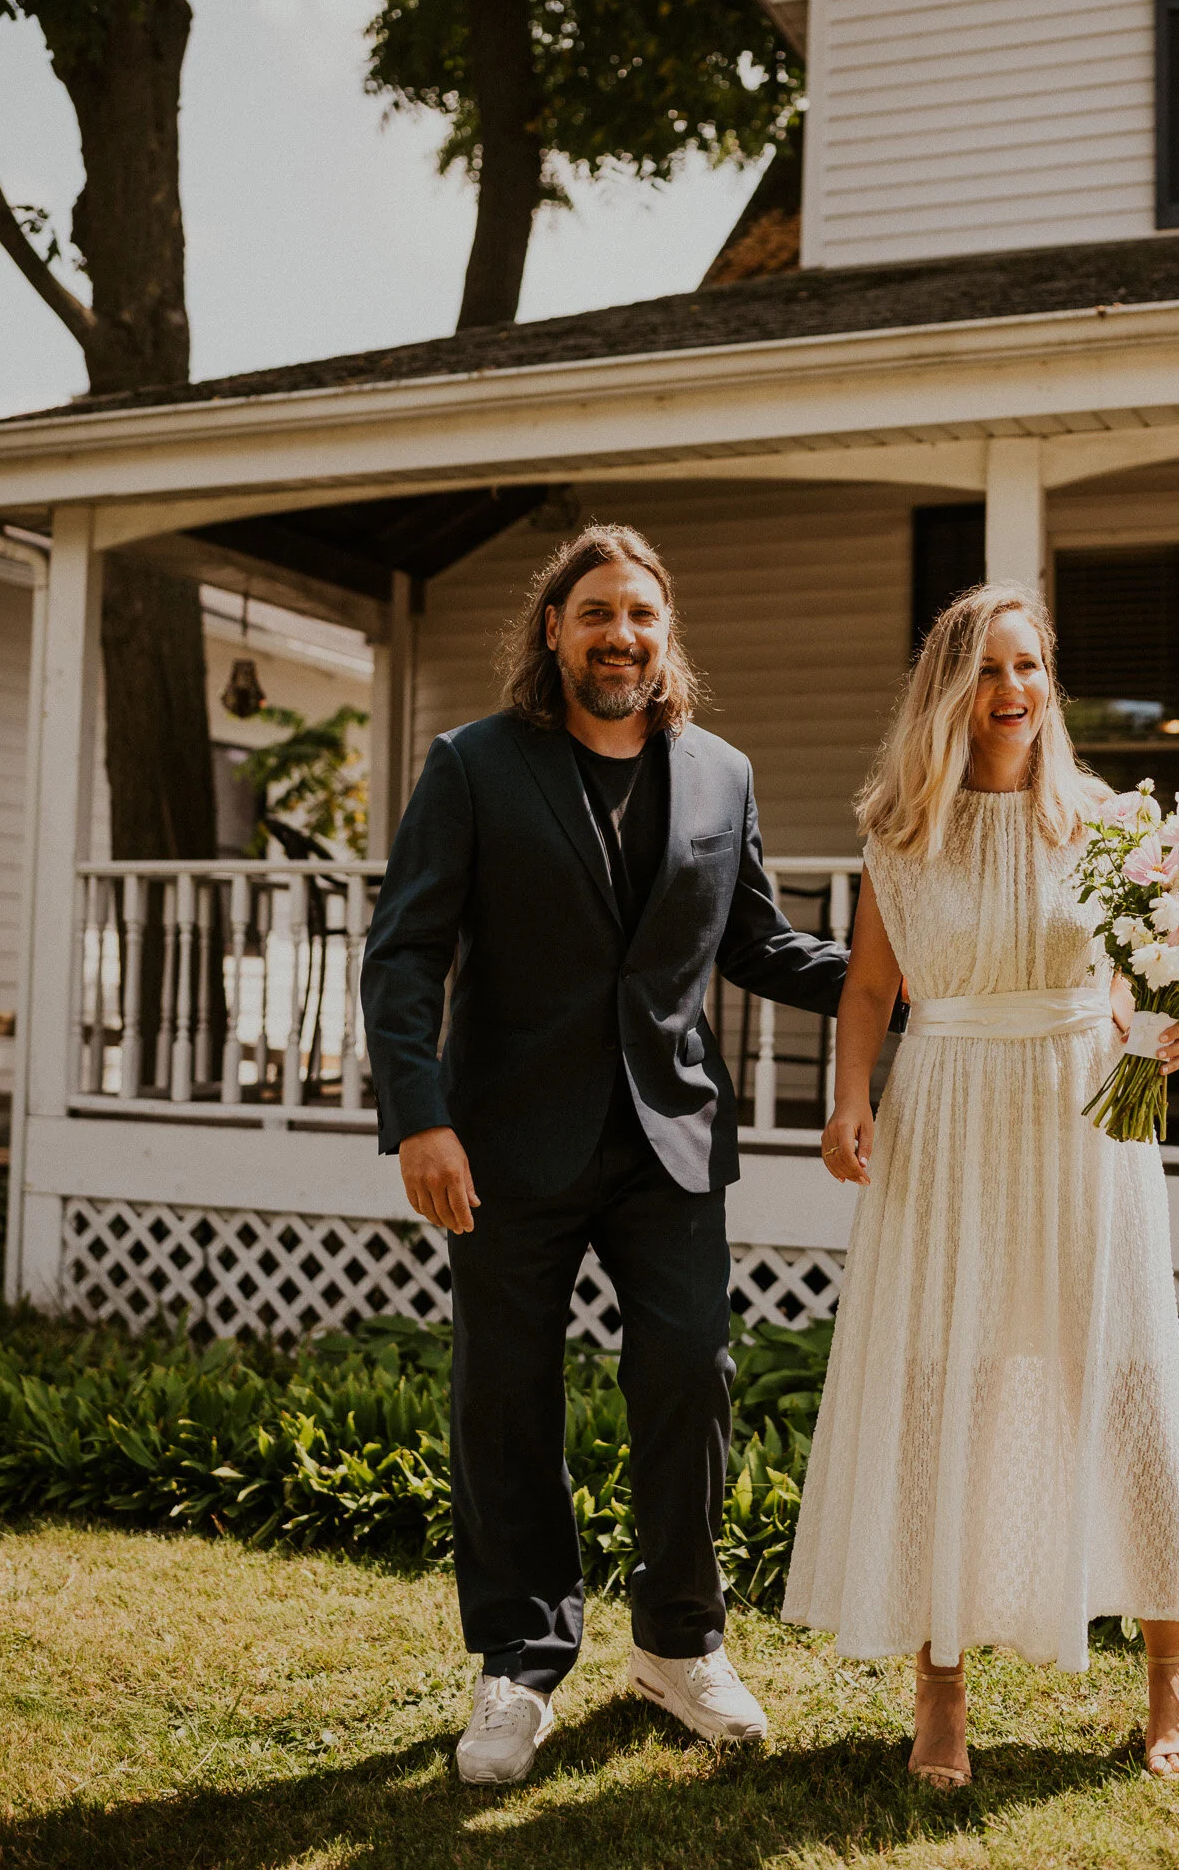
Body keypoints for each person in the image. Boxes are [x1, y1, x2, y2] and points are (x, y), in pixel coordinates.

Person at [360, 522, 850, 1786]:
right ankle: (519, 1660)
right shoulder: (474, 765)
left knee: (689, 1375)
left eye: (639, 614)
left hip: (670, 1140)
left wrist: (917, 987)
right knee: (504, 1397)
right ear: (553, 631)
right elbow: (406, 948)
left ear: (662, 633)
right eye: (594, 614)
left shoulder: (722, 774)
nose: (619, 635)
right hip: (506, 1141)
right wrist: (420, 1115)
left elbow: (759, 944)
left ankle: (679, 1643)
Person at [783, 583, 1179, 1788]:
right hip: (950, 1111)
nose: (1014, 690)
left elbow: (1138, 976)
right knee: (948, 1378)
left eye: (1029, 666)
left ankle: (1168, 1665)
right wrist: (850, 1093)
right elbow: (869, 986)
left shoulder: (1097, 818)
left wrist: (1157, 1033)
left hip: (1084, 1114)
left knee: (1119, 1368)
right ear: (948, 687)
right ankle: (939, 1685)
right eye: (988, 669)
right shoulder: (900, 828)